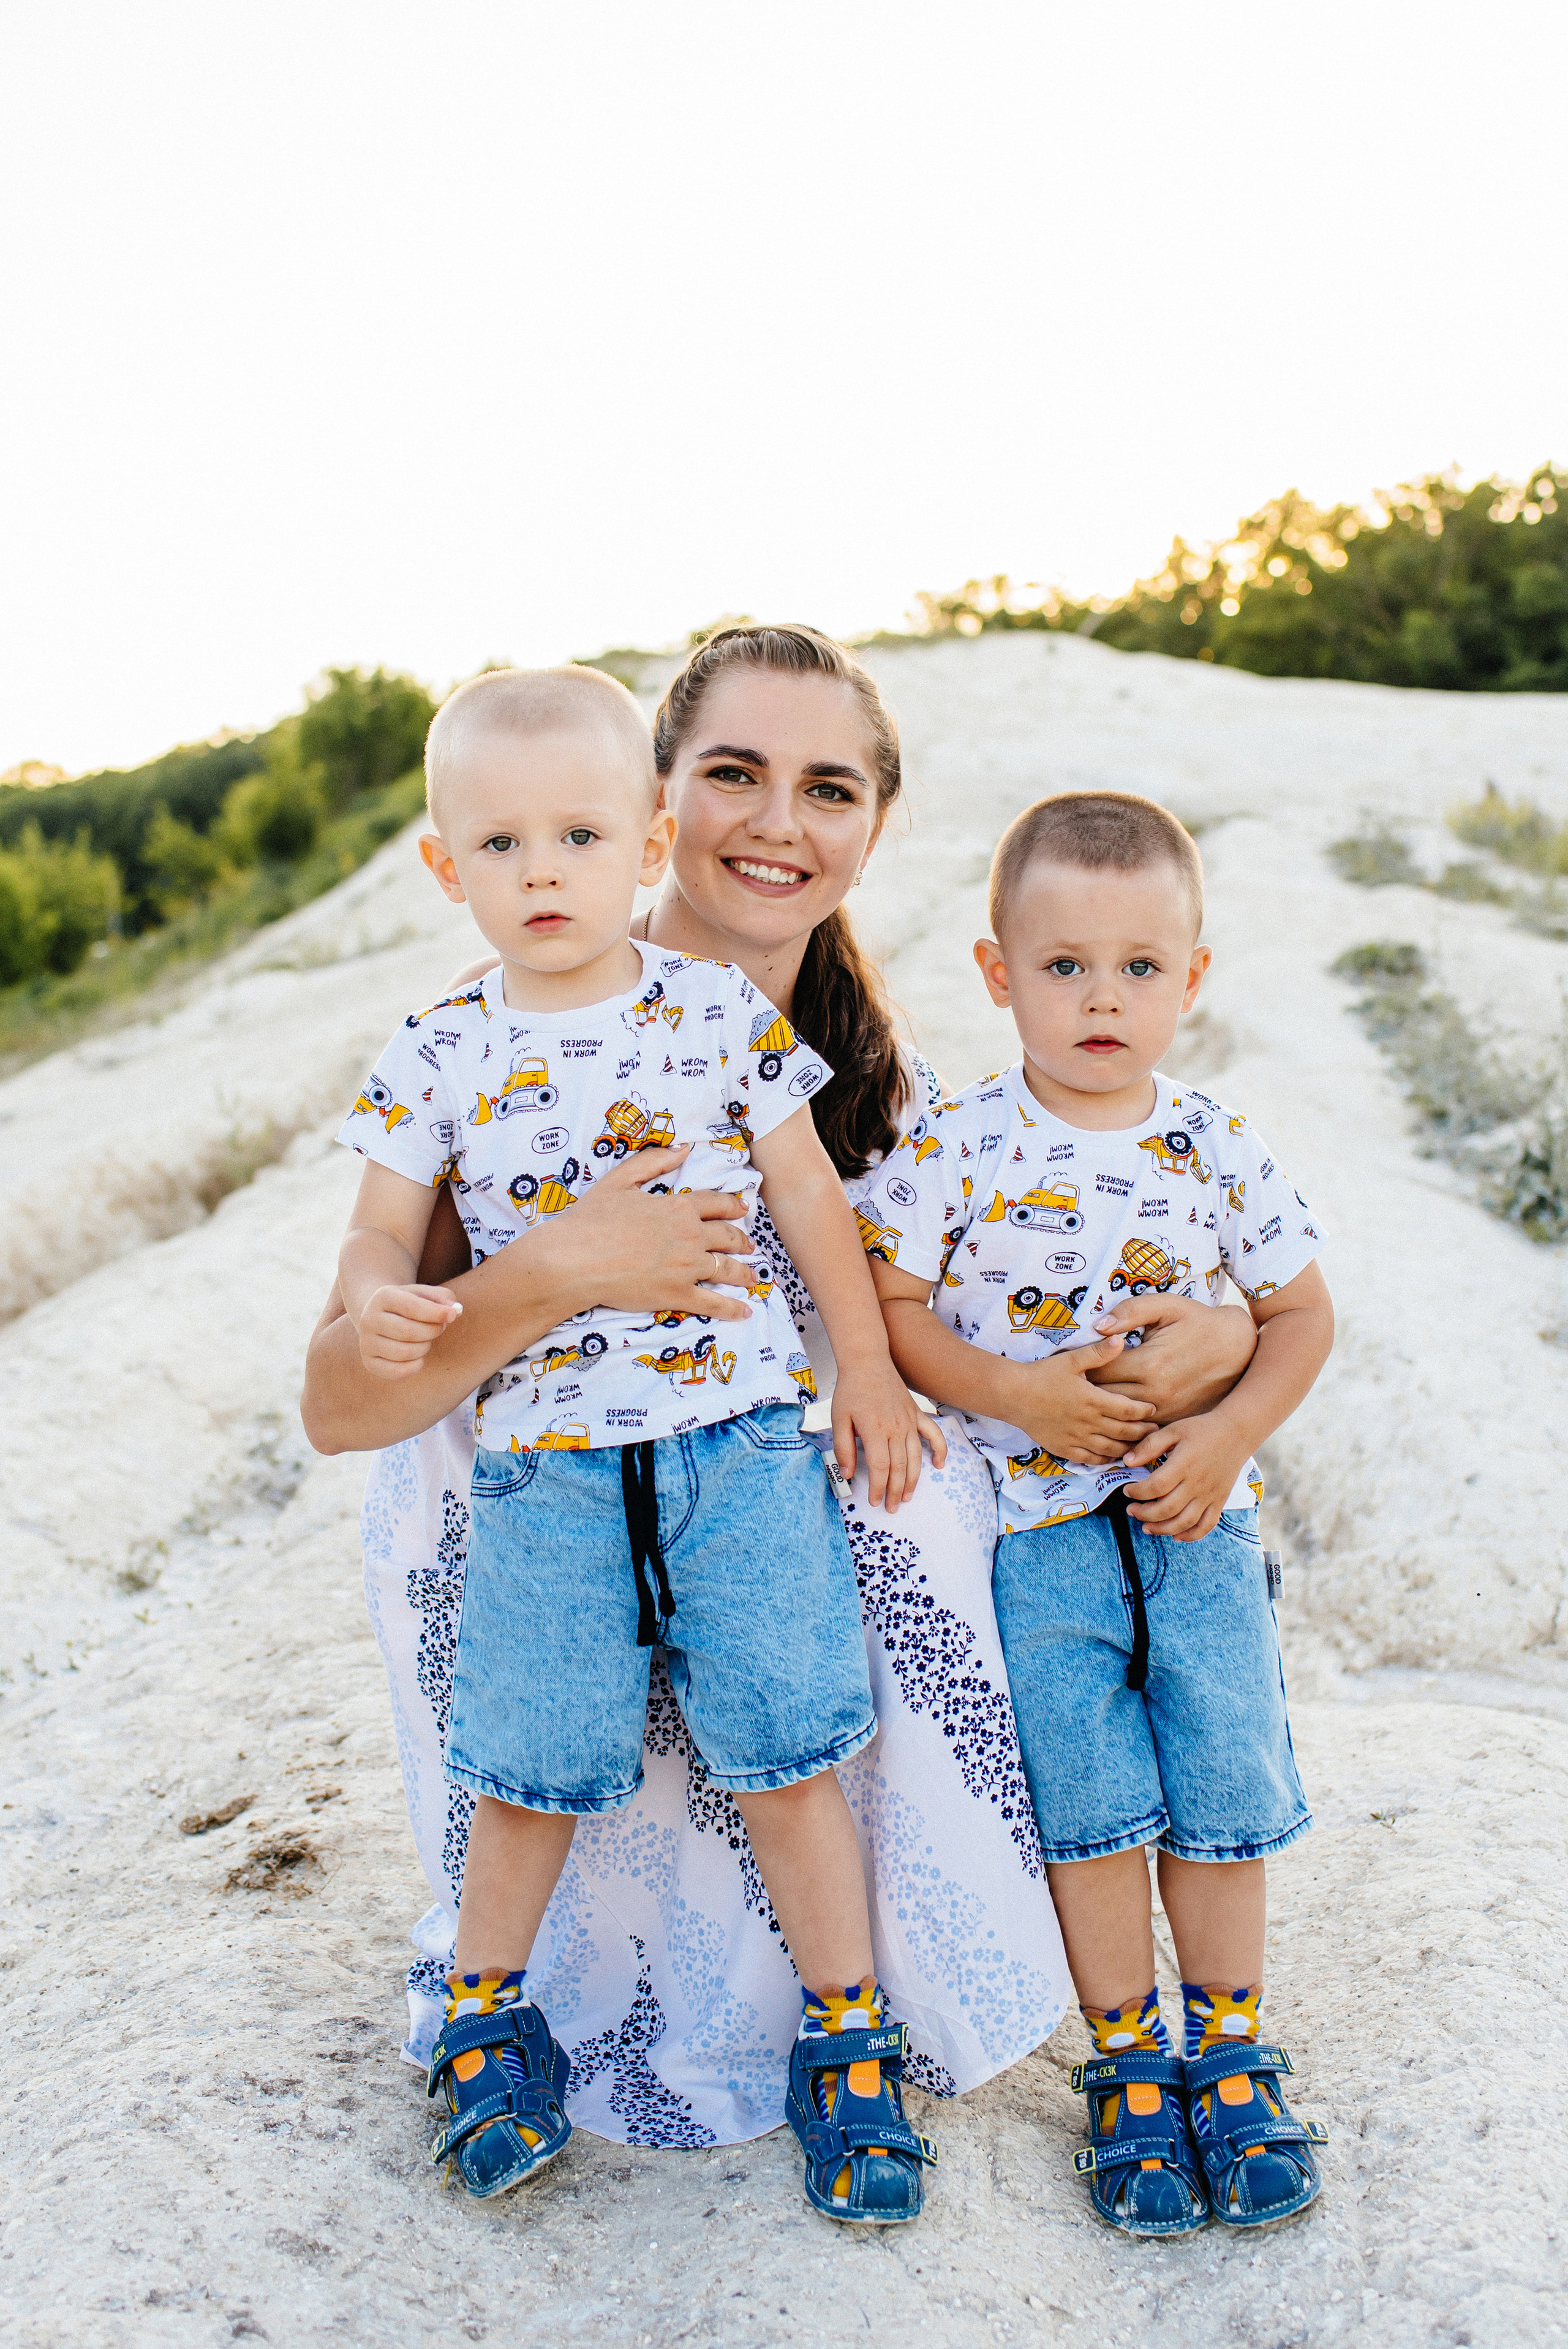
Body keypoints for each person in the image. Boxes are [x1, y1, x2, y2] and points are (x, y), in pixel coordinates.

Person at [300, 626, 1259, 2180]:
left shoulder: (861, 1082)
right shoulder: (494, 1040)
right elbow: (338, 1404)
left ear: (872, 828)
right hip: (551, 1475)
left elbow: (993, 1289)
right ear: (668, 798)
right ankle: (553, 1989)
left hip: (741, 1465)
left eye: (827, 789)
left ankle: (977, 1995)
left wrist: (1220, 1340)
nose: (777, 822)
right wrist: (555, 1267)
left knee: (938, 1519)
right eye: (734, 772)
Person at [335, 659, 957, 2220]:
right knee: (534, 1751)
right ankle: (485, 2015)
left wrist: (868, 1372)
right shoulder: (437, 1047)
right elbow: (372, 1248)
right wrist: (393, 1305)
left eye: (574, 839)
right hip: (546, 1466)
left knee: (788, 1743)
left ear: (640, 833)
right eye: (499, 848)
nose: (541, 874)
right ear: (443, 864)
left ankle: (846, 2032)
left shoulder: (714, 1015)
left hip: (737, 1448)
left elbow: (810, 1201)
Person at [860, 789, 1335, 2238]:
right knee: (1085, 1803)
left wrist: (1231, 1431)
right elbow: (888, 1308)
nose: (1102, 998)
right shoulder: (956, 1144)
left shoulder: (1214, 1146)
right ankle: (1126, 2067)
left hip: (1198, 1525)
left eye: (1139, 967)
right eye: (1063, 966)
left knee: (1219, 1787)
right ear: (997, 972)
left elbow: (1300, 1314)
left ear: (1191, 978)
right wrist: (1014, 1394)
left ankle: (1230, 2052)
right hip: (1042, 1538)